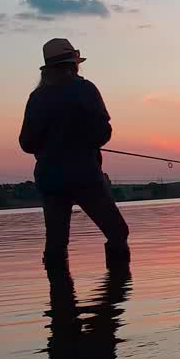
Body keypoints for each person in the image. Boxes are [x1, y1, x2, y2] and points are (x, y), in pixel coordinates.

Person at [19, 38, 130, 271]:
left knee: (56, 242)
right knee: (117, 232)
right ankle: (117, 287)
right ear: (73, 66)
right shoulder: (85, 89)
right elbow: (103, 133)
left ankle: (58, 291)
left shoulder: (36, 98)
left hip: (49, 179)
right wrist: (82, 140)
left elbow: (26, 144)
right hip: (84, 175)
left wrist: (52, 144)